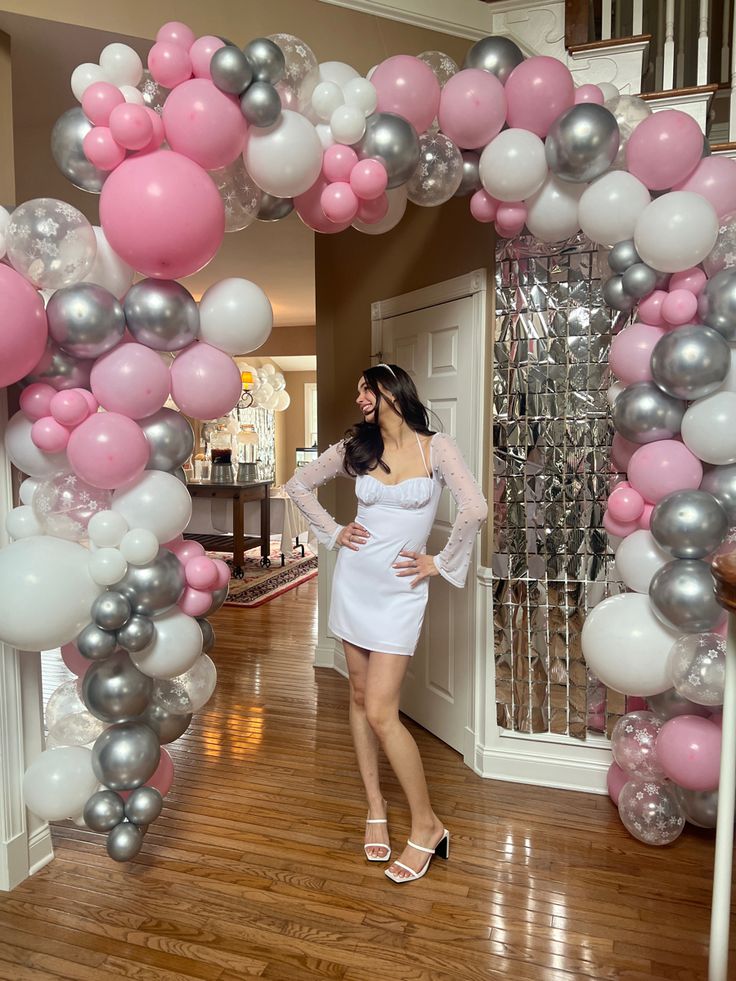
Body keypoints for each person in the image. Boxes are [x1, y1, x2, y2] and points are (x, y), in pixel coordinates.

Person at [285, 363, 487, 883]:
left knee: (381, 710)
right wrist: (333, 532)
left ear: (391, 389)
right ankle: (375, 807)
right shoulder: (356, 446)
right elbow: (298, 484)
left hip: (400, 592)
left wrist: (438, 563)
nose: (359, 399)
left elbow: (475, 509)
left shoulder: (436, 448)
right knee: (357, 696)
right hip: (355, 582)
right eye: (356, 391)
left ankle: (427, 825)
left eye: (365, 389)